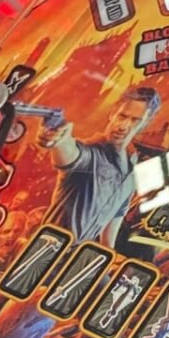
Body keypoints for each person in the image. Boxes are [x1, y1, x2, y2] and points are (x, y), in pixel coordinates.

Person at [39, 86, 161, 245]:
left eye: (135, 120)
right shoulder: (92, 153)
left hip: (78, 255)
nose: (123, 126)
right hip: (48, 248)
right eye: (122, 116)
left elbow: (116, 214)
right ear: (113, 113)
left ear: (145, 124)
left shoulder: (131, 167)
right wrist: (59, 140)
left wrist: (107, 254)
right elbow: (71, 154)